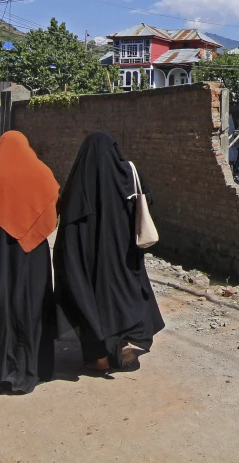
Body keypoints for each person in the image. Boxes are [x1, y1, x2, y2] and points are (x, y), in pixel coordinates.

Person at [54, 132, 164, 372]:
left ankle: (99, 357)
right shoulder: (128, 172)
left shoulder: (80, 179)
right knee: (123, 296)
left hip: (91, 258)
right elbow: (148, 200)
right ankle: (123, 346)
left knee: (93, 300)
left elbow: (67, 218)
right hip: (123, 254)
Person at [0, 131, 59, 396]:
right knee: (31, 306)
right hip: (33, 255)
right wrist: (31, 231)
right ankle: (34, 368)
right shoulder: (42, 173)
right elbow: (53, 211)